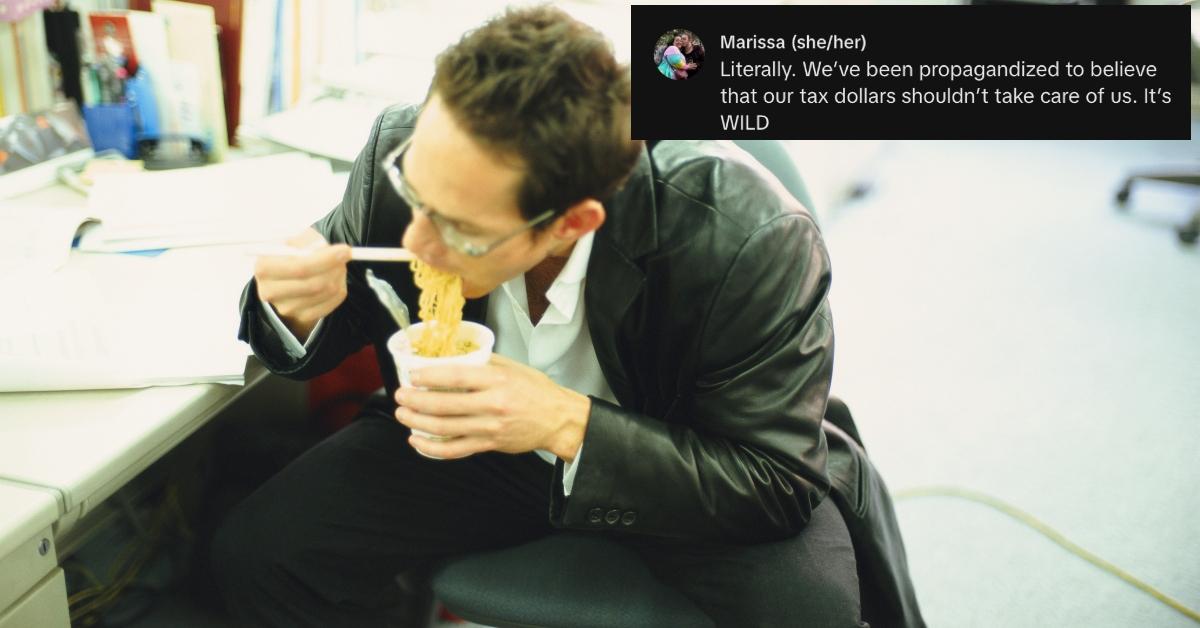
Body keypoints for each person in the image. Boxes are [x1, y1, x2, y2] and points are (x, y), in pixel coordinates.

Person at [212, 5, 922, 628]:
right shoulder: (416, 158)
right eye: (413, 194)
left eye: (459, 230)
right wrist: (289, 305)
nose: (414, 242)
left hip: (686, 454)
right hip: (475, 450)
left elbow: (774, 479)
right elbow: (334, 310)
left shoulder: (748, 236)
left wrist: (564, 423)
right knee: (262, 554)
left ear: (570, 222)